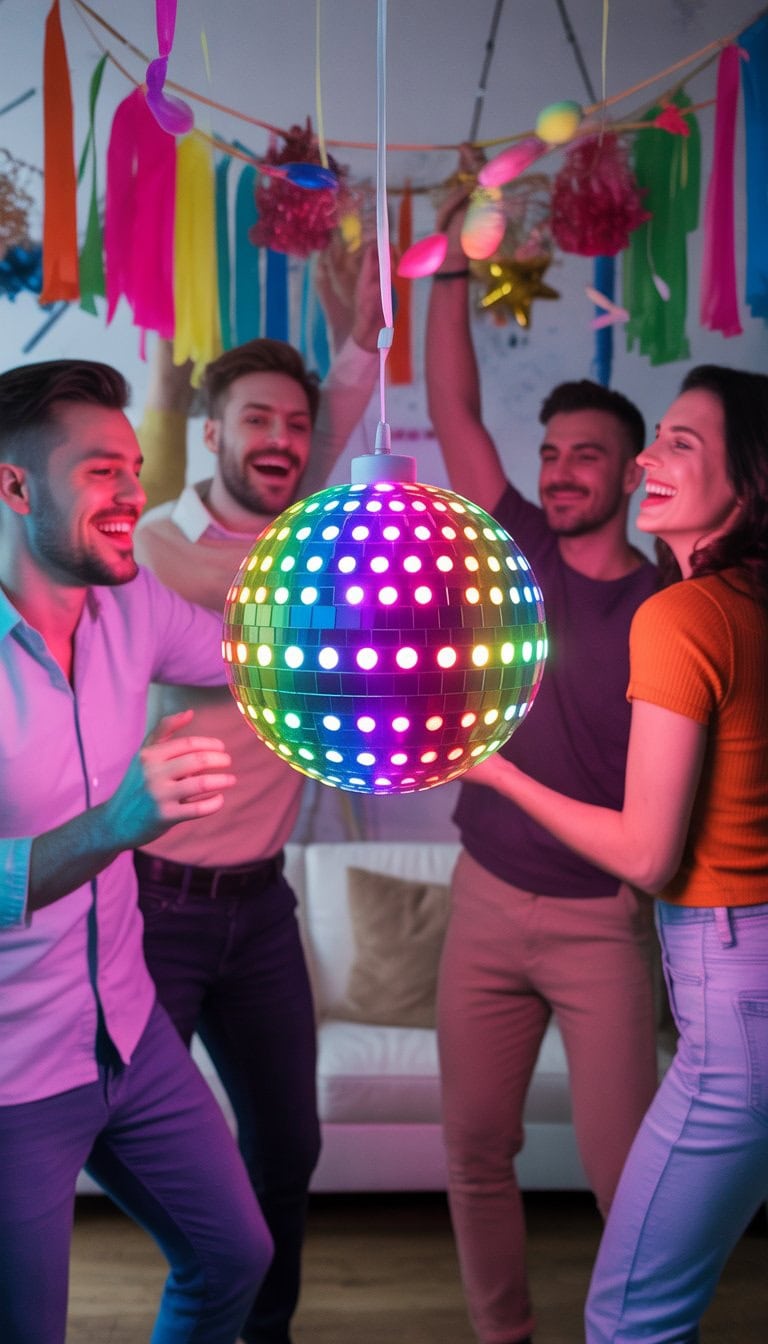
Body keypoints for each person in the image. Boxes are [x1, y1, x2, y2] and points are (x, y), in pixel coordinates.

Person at [467, 363, 768, 1341]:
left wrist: (495, 771)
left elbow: (644, 856)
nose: (649, 462)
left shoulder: (680, 613)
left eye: (680, 443)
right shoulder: (742, 604)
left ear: (749, 478)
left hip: (734, 996)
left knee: (631, 1314)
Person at [424, 146, 660, 1344]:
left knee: (635, 1187)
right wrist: (454, 257)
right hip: (482, 897)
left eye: (587, 456)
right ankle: (503, 1335)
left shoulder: (671, 606)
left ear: (633, 475)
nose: (561, 472)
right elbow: (453, 409)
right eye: (553, 452)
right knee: (474, 1151)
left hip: (601, 921)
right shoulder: (509, 539)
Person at [132, 244, 381, 1344]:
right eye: (256, 422)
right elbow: (233, 631)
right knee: (138, 1144)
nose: (279, 441)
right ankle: (201, 1299)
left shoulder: (305, 532)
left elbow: (349, 408)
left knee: (289, 1149)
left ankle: (262, 1331)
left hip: (261, 906)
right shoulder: (155, 546)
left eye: (296, 425)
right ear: (212, 433)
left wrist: (358, 335)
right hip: (153, 907)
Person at [0, 358, 273, 1344]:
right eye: (100, 471)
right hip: (13, 1076)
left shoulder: (133, 607)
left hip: (130, 1031)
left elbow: (257, 656)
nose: (132, 493)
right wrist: (117, 825)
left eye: (135, 468)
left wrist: (396, 621)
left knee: (234, 1256)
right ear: (15, 485)